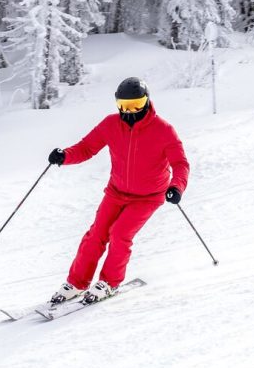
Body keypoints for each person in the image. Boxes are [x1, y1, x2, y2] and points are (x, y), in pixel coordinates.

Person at [47, 77, 189, 304]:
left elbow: (180, 164)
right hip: (116, 192)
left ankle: (109, 282)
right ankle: (76, 283)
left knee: (120, 234)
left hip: (148, 197)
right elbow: (86, 148)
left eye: (135, 105)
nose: (129, 111)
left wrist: (177, 186)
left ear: (147, 102)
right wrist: (64, 156)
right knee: (96, 235)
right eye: (123, 105)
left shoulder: (163, 130)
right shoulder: (111, 124)